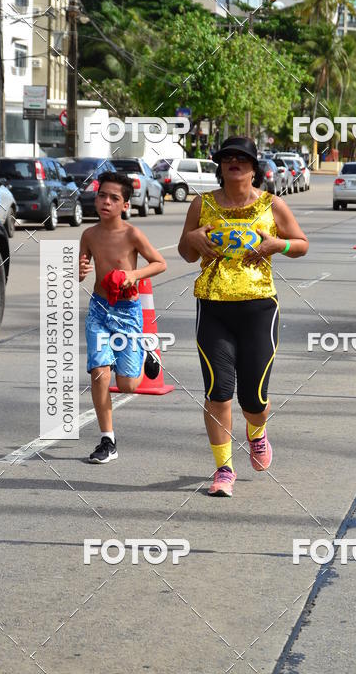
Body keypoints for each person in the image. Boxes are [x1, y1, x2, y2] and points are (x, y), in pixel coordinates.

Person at [178, 136, 308, 498]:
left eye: (241, 157)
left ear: (254, 167)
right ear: (219, 165)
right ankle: (223, 469)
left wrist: (276, 244)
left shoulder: (272, 204)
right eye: (227, 157)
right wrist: (193, 238)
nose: (233, 161)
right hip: (213, 306)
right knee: (218, 392)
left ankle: (256, 433)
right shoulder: (201, 204)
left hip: (259, 308)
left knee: (254, 400)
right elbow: (185, 253)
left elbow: (301, 244)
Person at [79, 173, 167, 464]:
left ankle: (146, 353)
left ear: (125, 204)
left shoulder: (132, 234)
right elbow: (82, 266)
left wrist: (133, 275)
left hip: (127, 312)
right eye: (102, 195)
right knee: (99, 373)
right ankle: (108, 440)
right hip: (99, 310)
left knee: (128, 384)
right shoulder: (89, 235)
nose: (106, 201)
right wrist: (78, 271)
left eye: (114, 198)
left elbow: (160, 263)